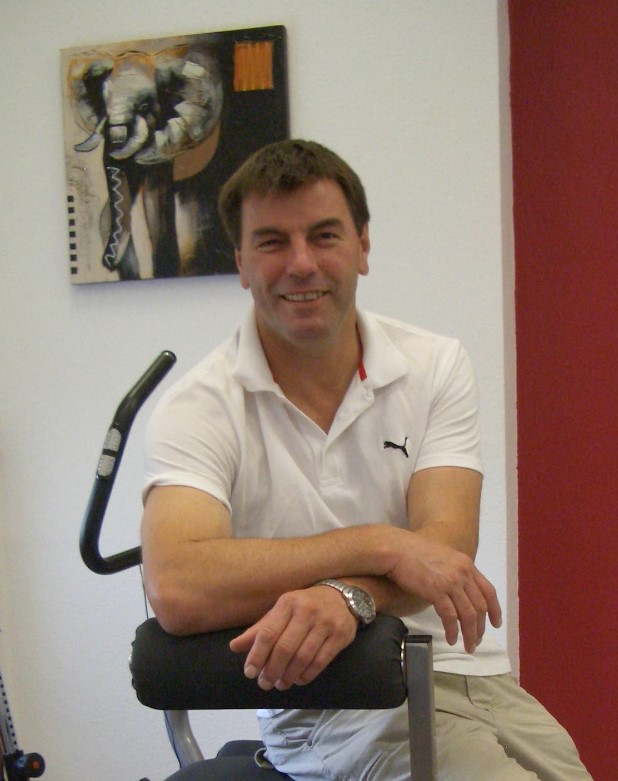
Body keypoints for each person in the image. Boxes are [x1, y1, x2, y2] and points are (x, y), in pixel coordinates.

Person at [140, 139, 592, 780]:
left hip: (468, 675)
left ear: (363, 246)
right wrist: (382, 544)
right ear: (240, 262)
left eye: (324, 236)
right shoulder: (199, 406)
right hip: (332, 698)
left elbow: (444, 551)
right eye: (272, 242)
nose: (302, 264)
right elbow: (177, 586)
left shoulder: (435, 365)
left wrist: (346, 596)